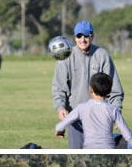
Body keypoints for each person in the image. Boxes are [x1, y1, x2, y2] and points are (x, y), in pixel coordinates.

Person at [52, 20, 124, 148]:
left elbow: (115, 89)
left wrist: (117, 110)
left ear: (92, 36)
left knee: (101, 158)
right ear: (74, 37)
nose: (83, 39)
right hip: (75, 117)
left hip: (101, 118)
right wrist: (60, 107)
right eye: (79, 36)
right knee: (77, 159)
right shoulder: (66, 57)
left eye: (86, 35)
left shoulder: (102, 55)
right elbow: (59, 87)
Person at [55, 72, 132, 149]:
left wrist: (60, 130)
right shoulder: (113, 110)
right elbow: (129, 136)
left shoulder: (82, 108)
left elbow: (61, 125)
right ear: (109, 91)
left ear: (90, 89)